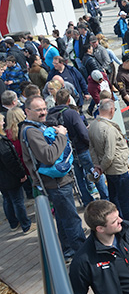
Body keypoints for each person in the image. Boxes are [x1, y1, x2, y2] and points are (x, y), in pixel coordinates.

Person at [20, 95, 86, 260]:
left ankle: (69, 250)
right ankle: (83, 255)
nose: (43, 113)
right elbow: (48, 156)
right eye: (39, 110)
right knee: (72, 220)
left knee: (64, 219)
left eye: (44, 109)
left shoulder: (36, 127)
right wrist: (62, 136)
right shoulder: (32, 131)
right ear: (27, 111)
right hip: (56, 183)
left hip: (56, 182)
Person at [48, 89, 109, 206]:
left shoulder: (51, 115)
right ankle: (105, 197)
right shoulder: (71, 113)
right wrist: (90, 143)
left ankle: (86, 201)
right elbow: (83, 133)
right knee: (96, 173)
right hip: (82, 150)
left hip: (66, 153)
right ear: (69, 100)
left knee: (78, 178)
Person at [89, 99, 129, 224]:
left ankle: (118, 223)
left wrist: (98, 166)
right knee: (126, 202)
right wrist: (102, 167)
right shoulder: (109, 129)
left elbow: (92, 149)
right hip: (117, 169)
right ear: (111, 110)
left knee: (115, 200)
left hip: (108, 170)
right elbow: (110, 154)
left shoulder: (92, 125)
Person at [0, 113, 34, 234]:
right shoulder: (2, 142)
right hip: (10, 177)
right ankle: (26, 225)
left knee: (7, 199)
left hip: (3, 179)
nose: (3, 123)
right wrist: (21, 174)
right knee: (17, 200)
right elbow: (10, 161)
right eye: (1, 121)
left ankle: (13, 223)